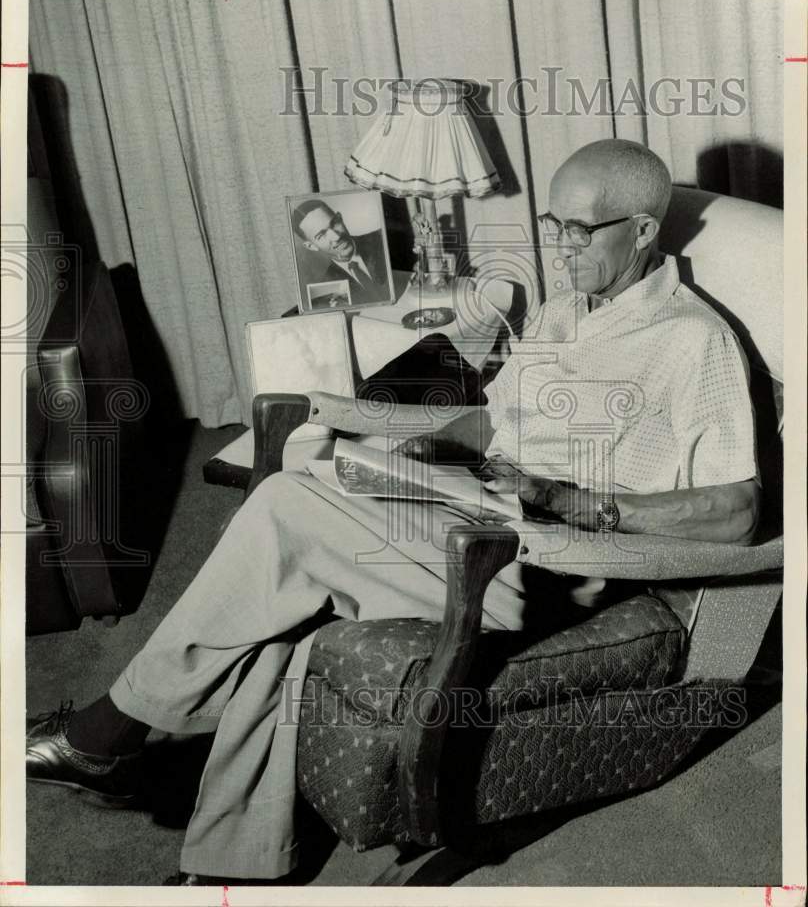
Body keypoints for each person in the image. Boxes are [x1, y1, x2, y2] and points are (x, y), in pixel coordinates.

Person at [26, 140, 761, 885]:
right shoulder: (563, 308)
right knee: (291, 574)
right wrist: (407, 445)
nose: (559, 247)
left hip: (543, 564)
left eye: (580, 231)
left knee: (284, 512)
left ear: (641, 231)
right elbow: (491, 420)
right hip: (471, 503)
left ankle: (108, 731)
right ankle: (234, 865)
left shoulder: (693, 342)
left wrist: (579, 502)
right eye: (552, 224)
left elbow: (736, 512)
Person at [292, 198, 391, 305]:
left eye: (334, 223)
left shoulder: (383, 239)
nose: (336, 237)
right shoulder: (326, 287)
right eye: (321, 235)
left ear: (340, 218)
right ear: (311, 246)